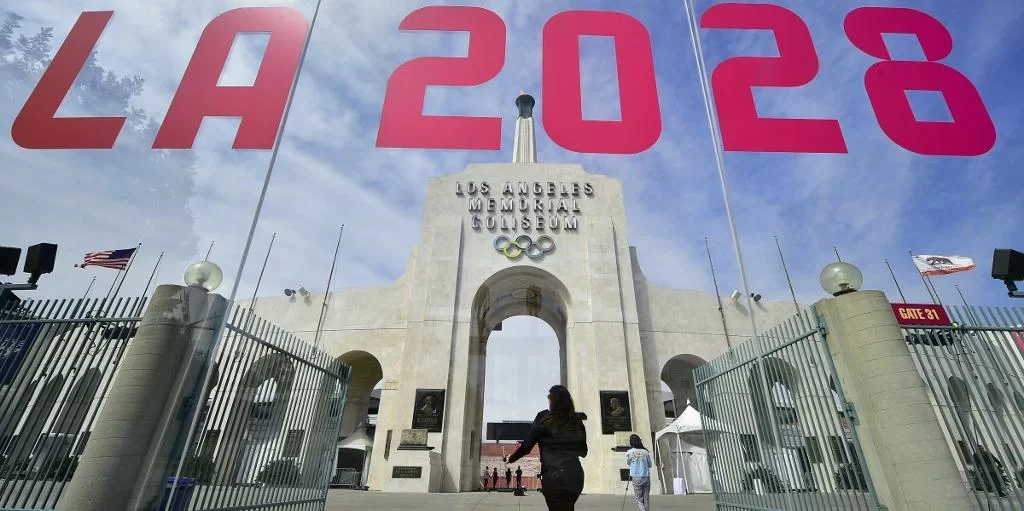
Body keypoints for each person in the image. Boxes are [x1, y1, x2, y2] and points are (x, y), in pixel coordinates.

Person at [507, 385, 588, 510]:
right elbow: (583, 452)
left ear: (551, 400)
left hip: (554, 477)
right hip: (575, 476)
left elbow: (527, 445)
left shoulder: (543, 418)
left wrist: (511, 458)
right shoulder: (576, 420)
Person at [626, 434, 653, 511]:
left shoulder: (630, 452)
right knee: (646, 499)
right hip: (646, 476)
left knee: (639, 499)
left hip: (636, 477)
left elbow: (628, 463)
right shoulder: (646, 452)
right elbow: (650, 465)